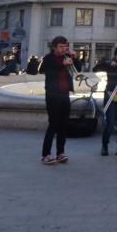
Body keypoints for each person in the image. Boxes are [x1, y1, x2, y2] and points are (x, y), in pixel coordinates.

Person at [38, 36, 80, 164]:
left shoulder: (66, 57)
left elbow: (78, 70)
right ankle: (45, 155)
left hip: (64, 93)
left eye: (65, 46)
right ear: (54, 47)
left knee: (63, 125)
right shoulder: (48, 58)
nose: (63, 49)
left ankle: (60, 153)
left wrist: (75, 58)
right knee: (53, 124)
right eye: (61, 47)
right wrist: (62, 64)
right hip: (52, 94)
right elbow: (49, 74)